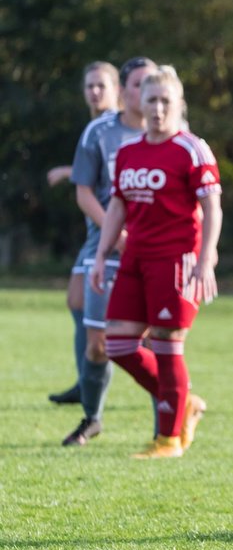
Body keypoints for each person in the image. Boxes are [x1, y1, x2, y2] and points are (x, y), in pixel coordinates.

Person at [90, 65, 221, 459]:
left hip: (174, 261)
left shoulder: (191, 148)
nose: (159, 108)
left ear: (178, 104)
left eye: (166, 101)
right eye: (152, 100)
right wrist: (100, 256)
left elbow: (211, 206)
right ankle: (186, 403)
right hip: (134, 259)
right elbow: (116, 206)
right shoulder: (127, 152)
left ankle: (168, 440)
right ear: (138, 103)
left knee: (166, 345)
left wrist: (206, 259)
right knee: (119, 344)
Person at [60, 58, 159, 445]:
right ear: (125, 90)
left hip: (155, 253)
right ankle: (92, 417)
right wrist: (114, 233)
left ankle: (165, 430)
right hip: (105, 247)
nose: (148, 94)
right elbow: (84, 192)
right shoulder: (99, 133)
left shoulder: (176, 136)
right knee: (98, 344)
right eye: (139, 85)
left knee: (156, 341)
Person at [48, 61, 122, 408]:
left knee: (134, 325)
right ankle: (84, 381)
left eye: (101, 86)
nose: (94, 92)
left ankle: (173, 384)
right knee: (77, 301)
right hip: (96, 232)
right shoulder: (95, 127)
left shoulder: (119, 127)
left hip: (111, 232)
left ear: (117, 90)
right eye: (89, 86)